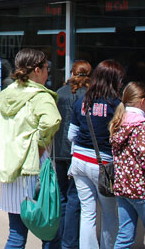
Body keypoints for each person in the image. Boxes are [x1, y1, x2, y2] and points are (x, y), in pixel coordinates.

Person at [0, 48, 61, 248]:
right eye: (46, 68)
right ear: (36, 70)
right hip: (34, 170)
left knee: (16, 234)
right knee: (49, 231)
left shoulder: (8, 93)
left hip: (12, 169)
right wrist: (36, 141)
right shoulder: (41, 96)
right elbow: (52, 121)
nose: (47, 72)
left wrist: (9, 138)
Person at [68, 59, 124, 249]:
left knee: (87, 213)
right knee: (109, 214)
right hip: (103, 166)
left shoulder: (83, 101)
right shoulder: (116, 105)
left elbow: (71, 135)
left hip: (79, 162)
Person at [109, 82, 145, 249]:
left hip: (123, 189)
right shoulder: (143, 126)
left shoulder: (119, 123)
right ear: (142, 101)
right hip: (143, 190)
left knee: (124, 235)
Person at [53, 60, 92, 249]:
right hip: (80, 152)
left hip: (60, 151)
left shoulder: (60, 94)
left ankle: (59, 239)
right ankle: (70, 242)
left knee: (62, 196)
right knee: (76, 198)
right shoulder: (90, 96)